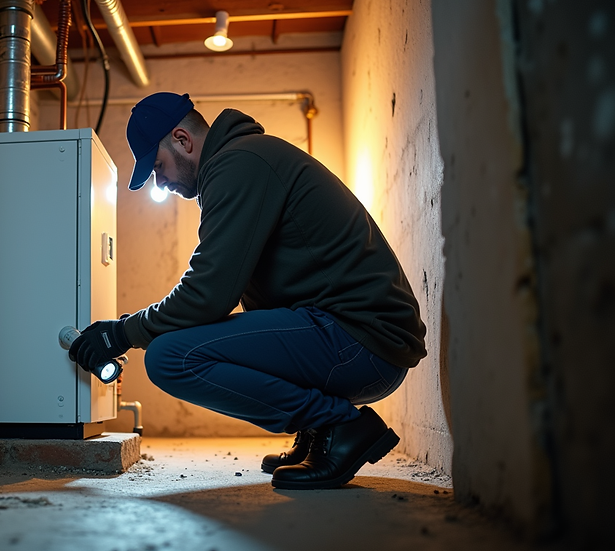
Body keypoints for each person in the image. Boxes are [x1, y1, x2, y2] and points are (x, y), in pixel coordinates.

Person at [68, 92, 427, 490]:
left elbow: (207, 294)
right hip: (356, 336)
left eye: (158, 166)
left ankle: (338, 426)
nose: (161, 181)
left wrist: (121, 332)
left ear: (183, 140)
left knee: (170, 357)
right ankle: (317, 430)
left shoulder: (238, 164)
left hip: (362, 342)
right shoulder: (242, 161)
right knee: (183, 343)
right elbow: (218, 297)